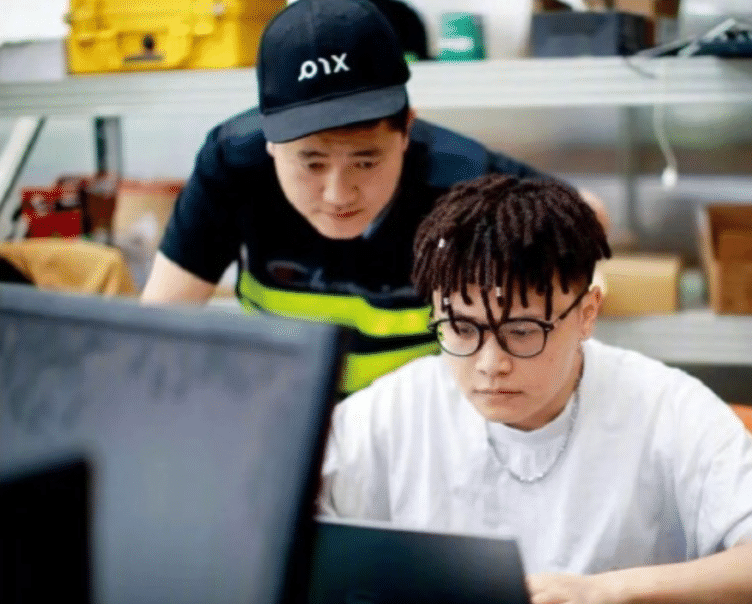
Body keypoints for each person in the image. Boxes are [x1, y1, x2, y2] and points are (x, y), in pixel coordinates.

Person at [320, 174, 752, 604]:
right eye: (460, 328)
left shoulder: (663, 406)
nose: (489, 363)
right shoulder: (394, 410)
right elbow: (287, 533)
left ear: (587, 313)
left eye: (522, 331)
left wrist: (608, 592)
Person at [140, 0, 607, 394]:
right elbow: (157, 328)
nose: (338, 194)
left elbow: (586, 215)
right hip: (283, 405)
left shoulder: (459, 177)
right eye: (312, 163)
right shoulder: (232, 166)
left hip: (414, 420)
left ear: (406, 131)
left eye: (366, 161)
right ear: (270, 142)